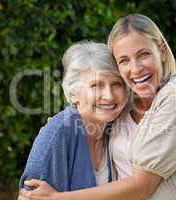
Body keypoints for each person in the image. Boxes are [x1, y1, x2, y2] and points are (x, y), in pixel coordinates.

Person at [19, 14, 176, 200]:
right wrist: (57, 129)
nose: (135, 68)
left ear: (162, 52)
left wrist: (58, 198)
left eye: (144, 54)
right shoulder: (112, 115)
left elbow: (143, 185)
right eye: (124, 60)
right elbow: (30, 194)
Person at [18, 41, 127, 191]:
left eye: (117, 84)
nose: (109, 96)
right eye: (96, 85)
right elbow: (28, 196)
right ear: (73, 93)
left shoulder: (114, 129)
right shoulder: (58, 133)